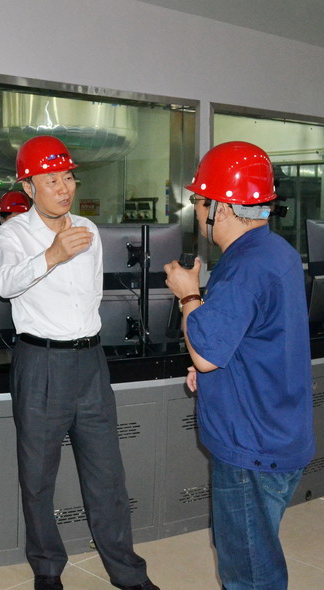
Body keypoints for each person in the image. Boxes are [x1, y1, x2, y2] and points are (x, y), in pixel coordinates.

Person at [0, 136, 157, 590]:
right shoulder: (12, 234)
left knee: (108, 475)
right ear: (29, 187)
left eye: (67, 178)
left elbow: (91, 295)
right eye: (51, 181)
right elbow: (4, 284)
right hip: (41, 362)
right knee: (38, 477)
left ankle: (127, 572)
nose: (64, 188)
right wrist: (52, 255)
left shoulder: (88, 228)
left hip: (90, 362)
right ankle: (47, 569)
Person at [163, 141, 314, 590]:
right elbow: (261, 340)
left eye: (200, 200)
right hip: (278, 432)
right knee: (257, 552)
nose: (196, 209)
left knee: (248, 572)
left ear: (223, 208)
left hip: (251, 447)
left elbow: (205, 355)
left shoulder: (244, 267)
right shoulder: (276, 252)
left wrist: (188, 294)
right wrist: (217, 368)